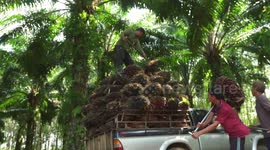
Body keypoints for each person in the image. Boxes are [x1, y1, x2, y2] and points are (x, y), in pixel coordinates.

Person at [191, 86, 250, 150]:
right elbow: (210, 117)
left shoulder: (224, 108)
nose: (208, 96)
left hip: (238, 133)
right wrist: (203, 125)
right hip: (233, 134)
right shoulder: (216, 105)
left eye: (209, 95)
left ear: (213, 97)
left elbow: (215, 125)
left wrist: (199, 133)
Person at [252, 80, 270, 150]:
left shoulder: (261, 98)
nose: (252, 90)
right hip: (266, 132)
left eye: (252, 88)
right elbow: (265, 116)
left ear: (256, 88)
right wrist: (257, 125)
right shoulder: (258, 99)